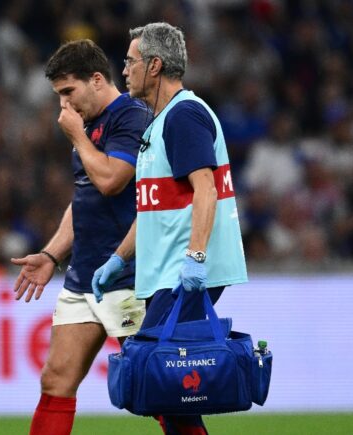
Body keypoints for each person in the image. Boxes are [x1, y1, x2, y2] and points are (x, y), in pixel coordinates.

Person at [92, 22, 248, 435]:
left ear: (155, 66)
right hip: (165, 272)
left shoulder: (184, 116)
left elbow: (206, 190)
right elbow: (153, 210)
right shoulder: (163, 122)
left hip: (185, 274)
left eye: (130, 61)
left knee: (162, 383)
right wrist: (116, 259)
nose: (123, 70)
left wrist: (196, 259)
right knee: (170, 389)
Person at [10, 39, 151, 435]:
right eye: (58, 96)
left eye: (68, 93)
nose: (64, 107)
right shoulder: (90, 127)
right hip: (83, 275)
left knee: (157, 386)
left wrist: (77, 137)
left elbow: (110, 181)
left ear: (96, 79)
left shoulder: (132, 116)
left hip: (126, 274)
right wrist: (52, 255)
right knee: (55, 380)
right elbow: (84, 200)